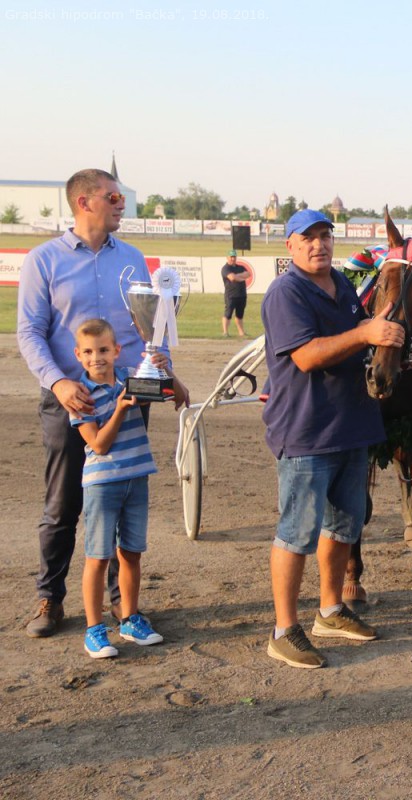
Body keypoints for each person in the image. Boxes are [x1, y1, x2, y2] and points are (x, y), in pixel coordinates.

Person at [17, 167, 190, 638]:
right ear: (84, 202)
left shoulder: (132, 258)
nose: (121, 204)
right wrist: (58, 383)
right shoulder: (43, 260)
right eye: (113, 197)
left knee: (122, 490)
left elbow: (152, 329)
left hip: (129, 395)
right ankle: (50, 597)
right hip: (69, 398)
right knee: (63, 502)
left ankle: (121, 601)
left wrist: (165, 372)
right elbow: (29, 332)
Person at [260, 209, 403, 669]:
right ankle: (283, 630)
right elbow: (306, 356)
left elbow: (360, 341)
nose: (318, 244)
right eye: (307, 238)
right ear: (290, 246)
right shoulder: (286, 292)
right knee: (296, 532)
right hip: (307, 430)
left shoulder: (341, 284)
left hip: (351, 426)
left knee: (344, 525)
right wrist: (364, 333)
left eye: (324, 236)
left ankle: (330, 609)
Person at [70, 319, 169, 658]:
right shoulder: (80, 396)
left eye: (103, 350)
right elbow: (98, 444)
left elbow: (169, 393)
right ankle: (94, 629)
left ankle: (129, 618)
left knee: (131, 553)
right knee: (98, 557)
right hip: (102, 484)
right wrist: (121, 408)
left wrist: (161, 368)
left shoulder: (130, 377)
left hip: (137, 477)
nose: (96, 357)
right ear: (78, 355)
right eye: (88, 352)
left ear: (116, 350)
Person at [221, 250, 250, 337]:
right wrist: (241, 276)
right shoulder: (226, 268)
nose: (233, 259)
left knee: (240, 315)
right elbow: (232, 278)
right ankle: (225, 332)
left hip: (242, 294)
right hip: (231, 295)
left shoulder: (240, 267)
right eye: (231, 257)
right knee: (228, 313)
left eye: (234, 257)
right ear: (227, 258)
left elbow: (248, 274)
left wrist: (237, 276)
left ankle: (241, 332)